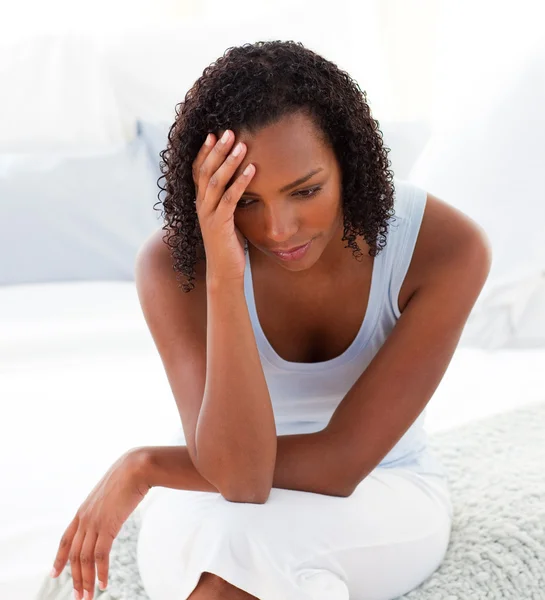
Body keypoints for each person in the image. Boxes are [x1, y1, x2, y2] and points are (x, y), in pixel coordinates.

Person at [49, 40, 492, 600]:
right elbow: (237, 479)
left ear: (348, 165)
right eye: (246, 199)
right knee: (230, 553)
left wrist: (144, 467)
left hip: (382, 487)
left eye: (305, 191)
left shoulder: (443, 248)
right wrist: (226, 280)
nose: (279, 229)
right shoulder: (173, 264)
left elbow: (340, 465)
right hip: (210, 489)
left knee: (241, 562)